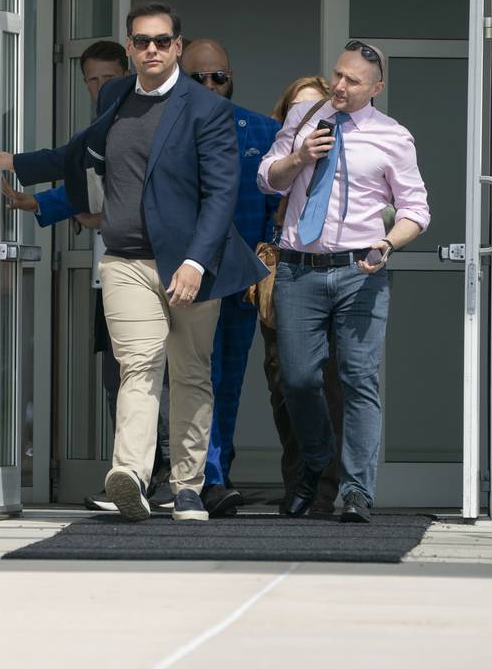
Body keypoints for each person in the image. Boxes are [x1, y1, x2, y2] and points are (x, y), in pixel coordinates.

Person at [0, 1, 267, 522]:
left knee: (190, 374)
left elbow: (222, 194)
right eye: (141, 41)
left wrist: (196, 263)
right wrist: (18, 164)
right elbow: (83, 153)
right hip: (126, 260)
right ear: (130, 46)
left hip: (191, 266)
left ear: (177, 45)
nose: (151, 49)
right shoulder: (115, 95)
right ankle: (130, 474)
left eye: (161, 40)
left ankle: (187, 486)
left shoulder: (207, 109)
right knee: (139, 366)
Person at [0, 41, 176, 513]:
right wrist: (40, 201)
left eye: (106, 78)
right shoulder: (98, 132)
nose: (99, 88)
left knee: (168, 378)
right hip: (113, 276)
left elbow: (111, 193)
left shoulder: (143, 120)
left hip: (160, 270)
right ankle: (135, 478)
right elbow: (84, 183)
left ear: (127, 75)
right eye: (91, 80)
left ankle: (169, 478)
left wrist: (43, 190)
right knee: (121, 380)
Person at [257, 40, 431, 523]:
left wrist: (388, 244)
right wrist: (297, 158)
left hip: (361, 271)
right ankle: (316, 460)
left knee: (359, 381)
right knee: (297, 378)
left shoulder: (393, 136)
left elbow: (417, 209)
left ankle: (356, 491)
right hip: (298, 267)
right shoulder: (304, 119)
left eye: (353, 81)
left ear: (376, 88)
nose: (339, 85)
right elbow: (266, 179)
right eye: (337, 74)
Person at [179, 39, 281, 517]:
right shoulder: (163, 125)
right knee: (186, 378)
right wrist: (47, 202)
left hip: (240, 281)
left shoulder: (263, 131)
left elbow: (276, 208)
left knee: (227, 380)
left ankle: (213, 474)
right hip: (181, 279)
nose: (209, 85)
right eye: (199, 77)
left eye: (217, 76)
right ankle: (197, 476)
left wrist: (264, 266)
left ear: (231, 76)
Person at [265, 76, 346, 514]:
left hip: (330, 277)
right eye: (300, 111)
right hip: (278, 277)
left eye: (317, 110)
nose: (312, 119)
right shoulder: (277, 156)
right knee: (284, 384)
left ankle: (324, 489)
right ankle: (297, 478)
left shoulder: (345, 158)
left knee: (328, 382)